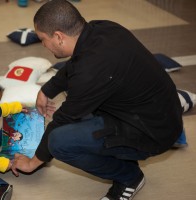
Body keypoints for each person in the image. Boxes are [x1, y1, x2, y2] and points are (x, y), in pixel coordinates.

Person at [11, 1, 183, 200]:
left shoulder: (91, 73)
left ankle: (129, 177)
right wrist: (47, 89)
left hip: (153, 131)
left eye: (43, 39)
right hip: (158, 109)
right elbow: (76, 63)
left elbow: (62, 119)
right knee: (75, 113)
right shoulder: (103, 28)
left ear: (58, 37)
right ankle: (121, 155)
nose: (43, 45)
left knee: (58, 141)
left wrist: (33, 163)